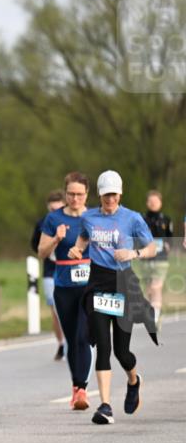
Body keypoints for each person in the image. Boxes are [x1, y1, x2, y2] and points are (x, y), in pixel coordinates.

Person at [67, 170, 157, 425]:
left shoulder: (132, 218)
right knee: (102, 348)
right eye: (106, 195)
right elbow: (84, 237)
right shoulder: (90, 217)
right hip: (97, 283)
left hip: (123, 283)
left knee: (121, 352)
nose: (110, 199)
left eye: (114, 195)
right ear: (100, 194)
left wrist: (133, 254)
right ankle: (105, 406)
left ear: (120, 194)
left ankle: (133, 380)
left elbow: (152, 247)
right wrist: (77, 248)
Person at [37, 175, 92, 411]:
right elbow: (41, 252)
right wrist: (57, 239)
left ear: (87, 194)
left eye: (79, 194)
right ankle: (76, 386)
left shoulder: (95, 218)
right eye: (71, 194)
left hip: (90, 285)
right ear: (65, 193)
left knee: (83, 336)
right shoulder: (54, 219)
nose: (75, 198)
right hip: (64, 285)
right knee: (71, 339)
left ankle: (83, 389)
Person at [31, 190, 67, 360]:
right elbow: (35, 246)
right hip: (50, 270)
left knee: (71, 308)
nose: (55, 213)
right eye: (52, 210)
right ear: (48, 208)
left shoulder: (71, 221)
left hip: (69, 269)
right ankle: (61, 343)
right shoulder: (42, 224)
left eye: (59, 209)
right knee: (56, 309)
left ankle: (74, 341)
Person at [139, 190, 173, 324]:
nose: (153, 204)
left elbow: (170, 238)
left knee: (156, 286)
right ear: (147, 202)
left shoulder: (166, 219)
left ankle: (155, 315)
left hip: (161, 259)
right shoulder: (141, 218)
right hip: (146, 259)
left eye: (156, 201)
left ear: (160, 203)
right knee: (148, 288)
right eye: (151, 201)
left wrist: (166, 247)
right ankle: (152, 309)